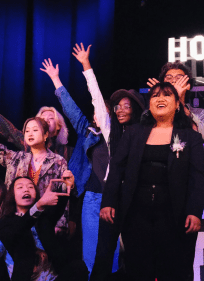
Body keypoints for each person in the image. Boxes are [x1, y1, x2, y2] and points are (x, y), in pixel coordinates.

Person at [99, 82, 204, 280]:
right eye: (155, 95)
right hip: (136, 214)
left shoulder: (191, 137)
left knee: (173, 270)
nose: (160, 98)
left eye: (166, 95)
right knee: (138, 269)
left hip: (175, 215)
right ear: (149, 104)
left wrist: (194, 211)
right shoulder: (134, 133)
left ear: (177, 104)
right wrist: (108, 202)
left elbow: (198, 177)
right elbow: (116, 169)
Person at [70, 43, 146, 280]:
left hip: (131, 201)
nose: (121, 109)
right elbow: (96, 97)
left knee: (130, 258)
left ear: (135, 110)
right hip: (99, 198)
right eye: (117, 105)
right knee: (98, 258)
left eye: (127, 105)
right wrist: (86, 64)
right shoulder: (109, 131)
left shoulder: (143, 134)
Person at [40, 56, 112, 277]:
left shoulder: (121, 135)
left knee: (114, 256)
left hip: (116, 196)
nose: (97, 114)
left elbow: (97, 98)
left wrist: (87, 66)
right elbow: (70, 109)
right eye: (95, 113)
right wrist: (55, 79)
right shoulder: (88, 132)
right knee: (89, 257)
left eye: (103, 112)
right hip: (91, 197)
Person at [0, 90, 71, 233]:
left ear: (46, 135)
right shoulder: (17, 158)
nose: (30, 134)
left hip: (45, 221)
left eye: (35, 130)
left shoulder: (58, 161)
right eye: (27, 131)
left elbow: (63, 195)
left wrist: (61, 223)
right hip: (16, 220)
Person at [0, 176, 88, 281]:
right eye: (20, 187)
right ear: (12, 195)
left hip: (52, 277)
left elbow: (58, 203)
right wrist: (38, 206)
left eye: (30, 187)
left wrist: (66, 184)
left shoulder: (43, 218)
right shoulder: (5, 222)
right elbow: (19, 228)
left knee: (78, 267)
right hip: (27, 277)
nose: (26, 189)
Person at [147, 61, 204, 142]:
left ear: (188, 86)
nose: (173, 81)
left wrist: (179, 102)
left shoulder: (200, 113)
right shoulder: (150, 113)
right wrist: (157, 98)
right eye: (169, 78)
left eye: (179, 78)